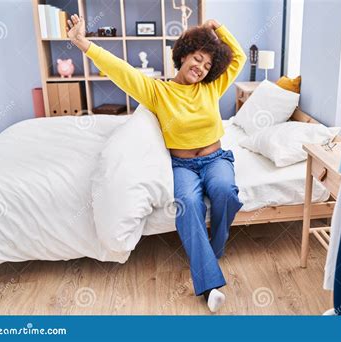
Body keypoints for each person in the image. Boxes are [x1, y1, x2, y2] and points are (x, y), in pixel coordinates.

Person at [67, 14, 246, 312]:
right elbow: (120, 70)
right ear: (184, 54)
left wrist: (218, 29)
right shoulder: (158, 91)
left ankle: (215, 249)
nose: (200, 69)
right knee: (188, 205)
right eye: (197, 59)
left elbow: (237, 57)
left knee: (226, 191)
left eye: (206, 66)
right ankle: (210, 285)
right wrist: (83, 44)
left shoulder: (211, 88)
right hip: (183, 166)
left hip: (216, 158)